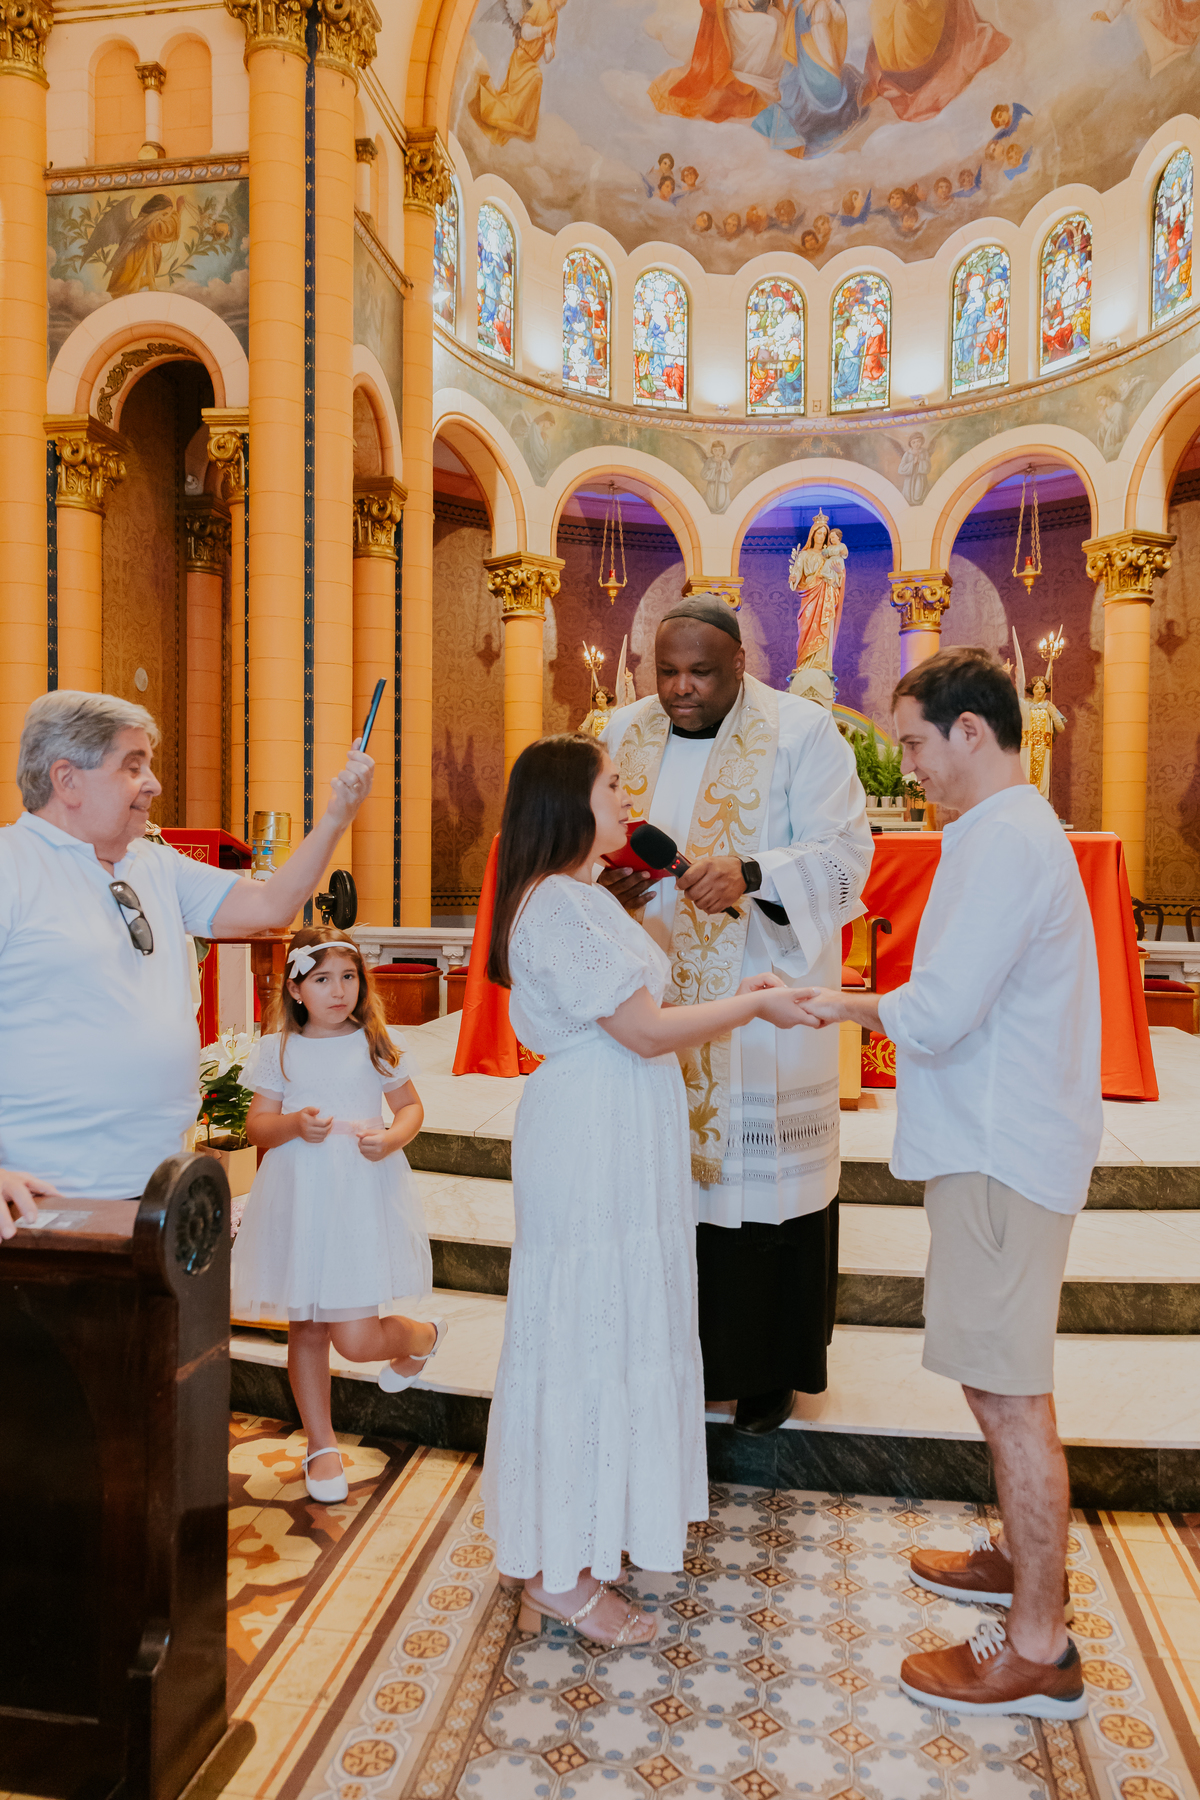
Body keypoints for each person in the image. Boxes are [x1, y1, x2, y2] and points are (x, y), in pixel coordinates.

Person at [793, 647, 1102, 1720]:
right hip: (996, 1142)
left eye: (917, 742)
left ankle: (1037, 1650)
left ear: (972, 731)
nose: (911, 764)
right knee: (993, 1380)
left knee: (1010, 1397)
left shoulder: (1008, 840)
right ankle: (1019, 1558)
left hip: (1001, 1152)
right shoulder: (1000, 831)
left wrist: (835, 1004)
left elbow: (939, 1010)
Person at [480, 733, 811, 1648]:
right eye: (612, 785)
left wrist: (710, 953)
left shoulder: (582, 895)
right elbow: (645, 1031)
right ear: (567, 802)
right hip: (594, 1128)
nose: (627, 797)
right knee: (587, 1326)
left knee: (615, 1321)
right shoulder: (556, 903)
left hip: (619, 1123)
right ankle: (560, 1574)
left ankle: (579, 1533)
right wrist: (755, 1004)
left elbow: (643, 1001)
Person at [601, 600, 872, 1435]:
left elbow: (847, 856)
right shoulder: (621, 732)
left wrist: (751, 872)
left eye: (701, 673)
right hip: (649, 1009)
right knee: (664, 1194)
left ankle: (767, 1373)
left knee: (762, 1199)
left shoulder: (802, 733)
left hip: (760, 1016)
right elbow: (584, 841)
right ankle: (665, 1359)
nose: (681, 689)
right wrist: (604, 885)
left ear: (742, 664)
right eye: (667, 672)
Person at [0, 689, 373, 1237]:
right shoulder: (11, 867)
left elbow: (270, 906)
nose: (153, 784)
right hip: (42, 1200)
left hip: (162, 1185)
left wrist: (338, 817)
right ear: (67, 779)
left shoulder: (155, 864)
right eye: (133, 767)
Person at [231, 927, 437, 1503]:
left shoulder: (373, 1042)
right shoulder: (278, 1050)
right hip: (300, 1195)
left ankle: (420, 1336)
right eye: (323, 980)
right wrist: (294, 1125)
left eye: (348, 977)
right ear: (296, 989)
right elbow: (257, 1126)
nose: (339, 990)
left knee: (356, 1338)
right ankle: (320, 1445)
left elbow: (410, 1107)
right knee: (308, 1326)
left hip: (356, 1194)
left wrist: (392, 1137)